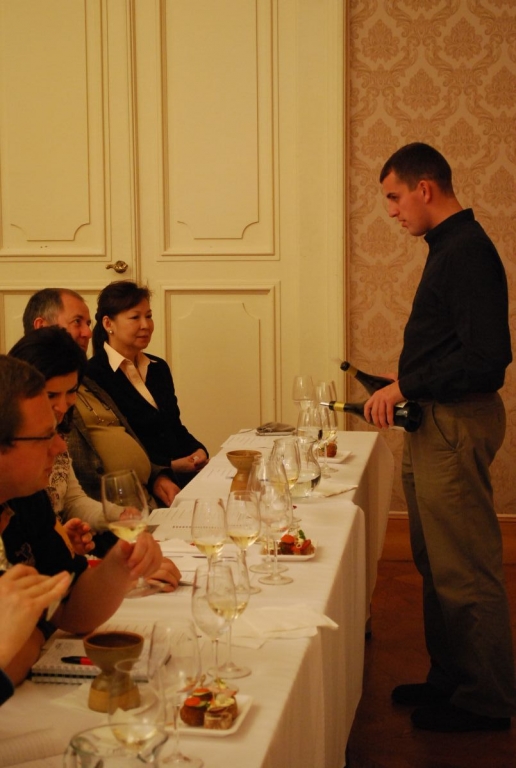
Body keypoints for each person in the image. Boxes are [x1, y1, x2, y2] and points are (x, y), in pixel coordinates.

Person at [364, 142, 515, 732]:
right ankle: (450, 678)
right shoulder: (449, 246)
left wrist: (407, 385)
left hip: (454, 423)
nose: (392, 211)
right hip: (433, 419)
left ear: (424, 188)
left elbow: (487, 359)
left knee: (465, 567)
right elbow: (453, 345)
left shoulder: (467, 250)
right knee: (435, 560)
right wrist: (405, 382)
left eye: (395, 197)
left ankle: (485, 699)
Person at [0, 354, 163, 687]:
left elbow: (70, 609)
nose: (61, 447)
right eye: (45, 436)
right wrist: (33, 635)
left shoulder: (26, 495)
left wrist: (119, 565)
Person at [8, 327, 181, 590]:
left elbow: (73, 499)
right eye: (51, 395)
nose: (62, 405)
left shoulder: (57, 434)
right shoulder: (20, 463)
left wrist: (119, 516)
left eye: (71, 392)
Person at [23, 288, 182, 509]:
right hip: (109, 510)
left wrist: (157, 476)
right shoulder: (29, 393)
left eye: (88, 323)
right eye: (77, 322)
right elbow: (71, 496)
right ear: (42, 327)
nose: (88, 333)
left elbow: (130, 439)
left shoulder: (88, 383)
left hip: (145, 500)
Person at [87, 280, 208, 485]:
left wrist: (197, 450)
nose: (146, 325)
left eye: (149, 316)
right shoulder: (93, 374)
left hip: (180, 472)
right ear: (108, 324)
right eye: (135, 317)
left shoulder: (158, 367)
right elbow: (116, 445)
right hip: (139, 481)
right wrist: (168, 466)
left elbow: (173, 426)